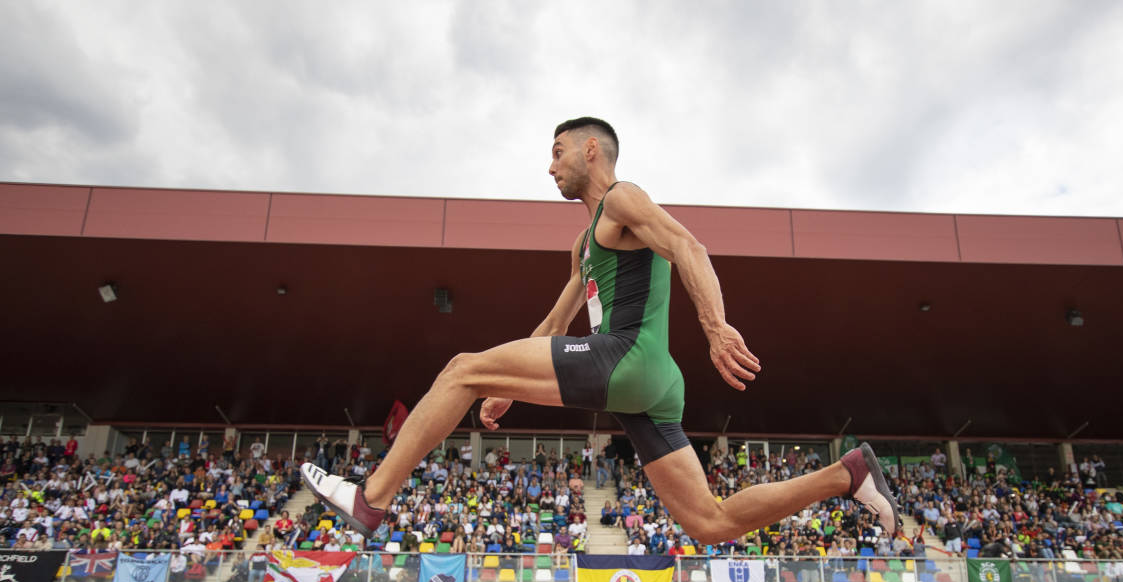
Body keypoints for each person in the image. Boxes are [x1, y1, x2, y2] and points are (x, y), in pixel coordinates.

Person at [300, 117, 899, 551]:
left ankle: (370, 499)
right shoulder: (585, 242)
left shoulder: (622, 198)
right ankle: (847, 473)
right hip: (650, 383)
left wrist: (715, 327)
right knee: (711, 523)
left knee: (461, 367)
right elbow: (559, 324)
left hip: (628, 357)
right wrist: (508, 386)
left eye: (557, 151)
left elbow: (687, 245)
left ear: (592, 150)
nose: (550, 165)